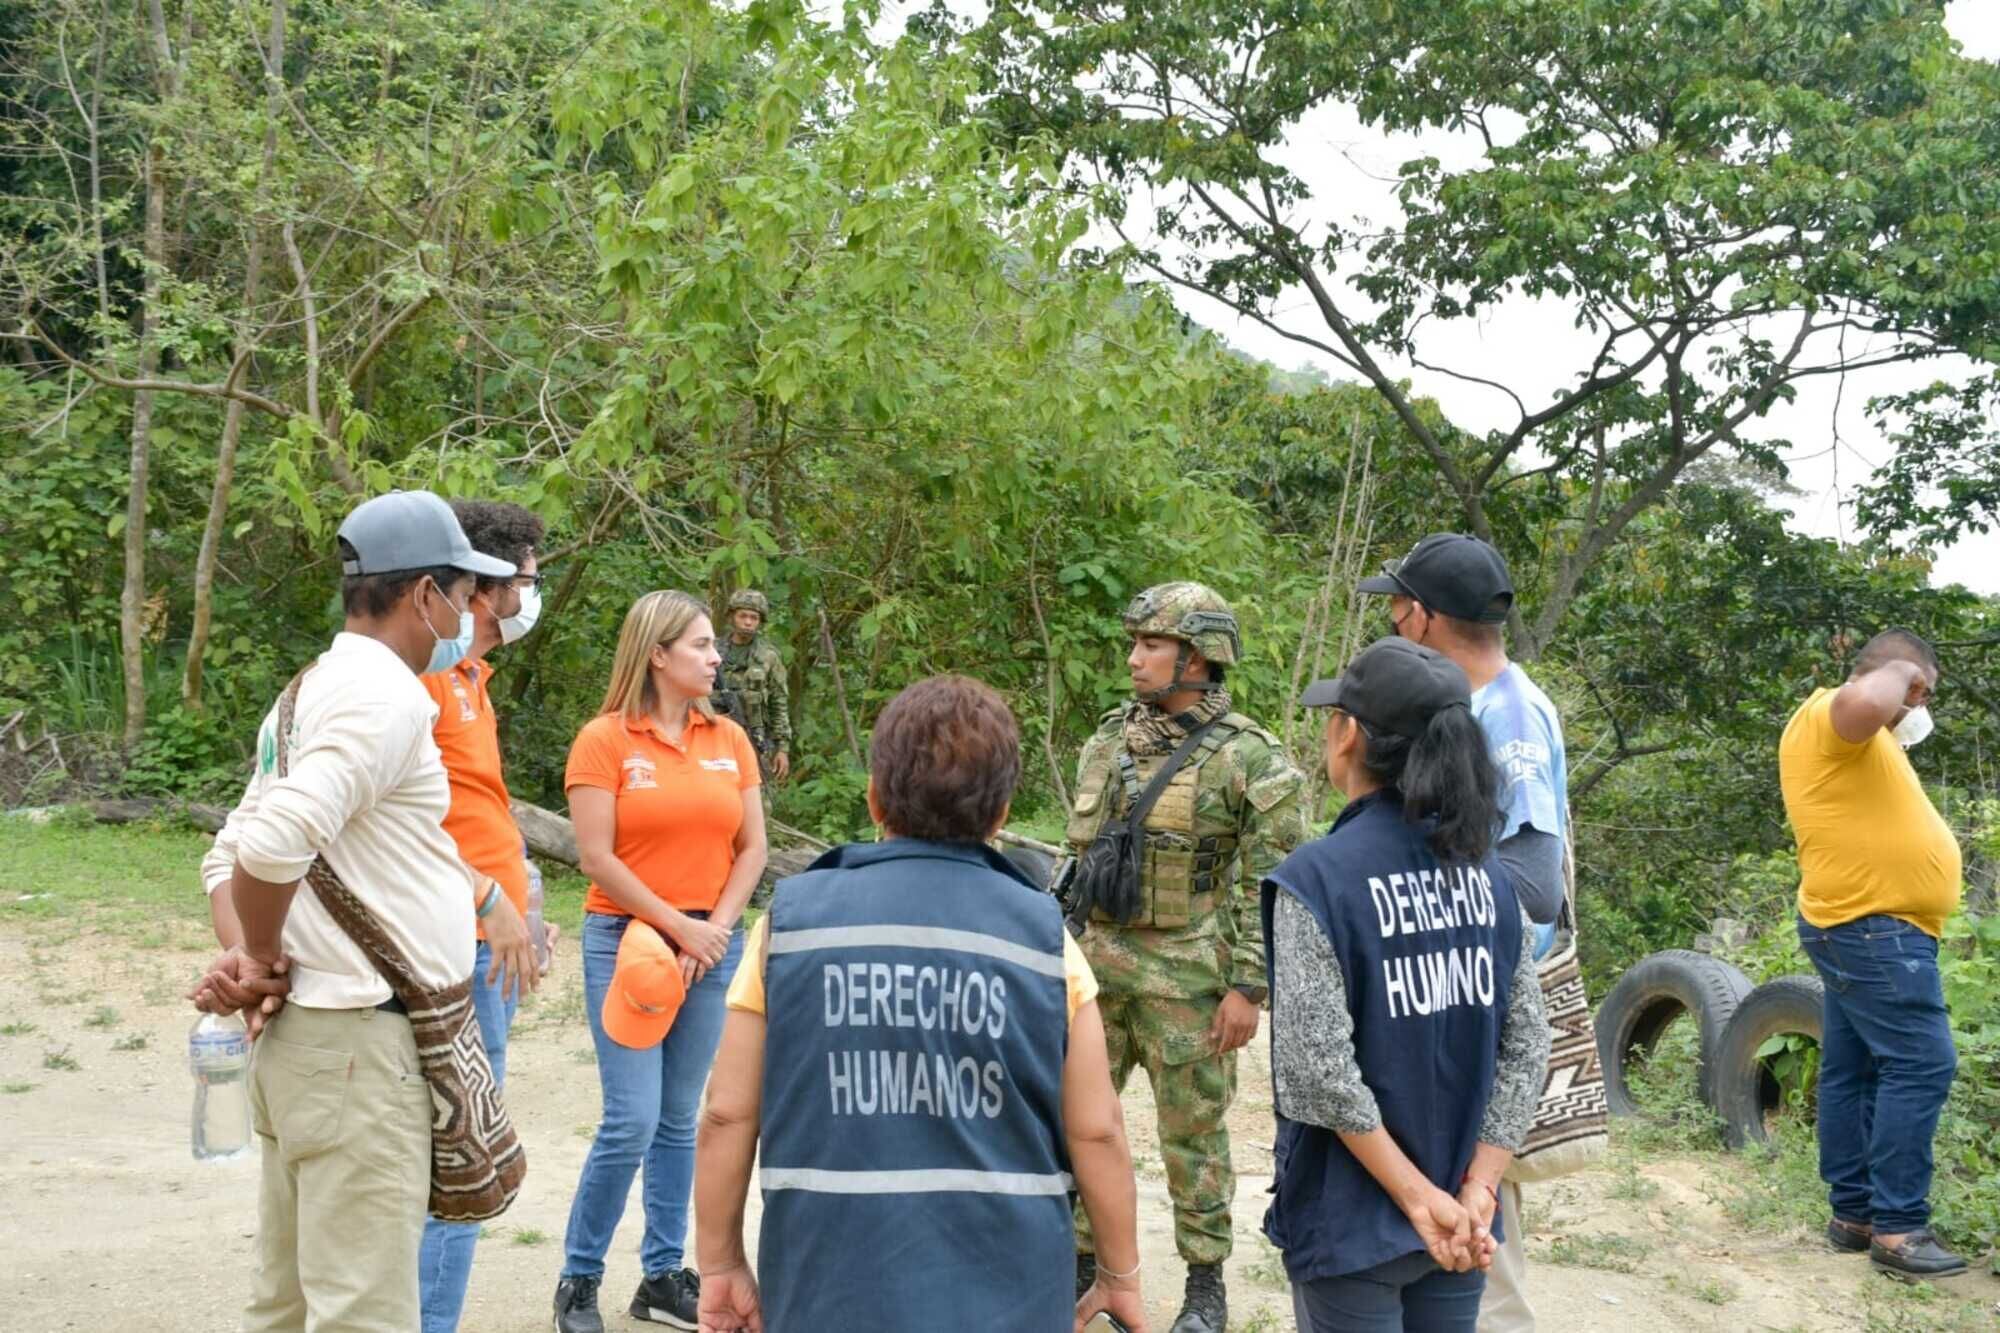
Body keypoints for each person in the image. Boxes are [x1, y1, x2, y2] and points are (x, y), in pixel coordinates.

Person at [692, 674, 1149, 1333]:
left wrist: (720, 1261)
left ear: (876, 798)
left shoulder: (791, 925)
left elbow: (728, 1113)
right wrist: (1119, 1273)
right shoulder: (1045, 938)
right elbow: (1099, 1127)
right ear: (1001, 813)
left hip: (827, 1290)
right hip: (1010, 1297)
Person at [191, 490, 516, 1331]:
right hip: (358, 1052)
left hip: (307, 1043)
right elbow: (267, 849)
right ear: (422, 596)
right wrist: (259, 952)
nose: (470, 612)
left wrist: (248, 958)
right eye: (463, 592)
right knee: (362, 1311)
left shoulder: (307, 691)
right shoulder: (388, 697)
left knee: (288, 1304)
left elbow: (226, 850)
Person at [1262, 637, 1550, 1332]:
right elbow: (1530, 1045)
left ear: (1350, 733)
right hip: (1461, 1218)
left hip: (1355, 1221)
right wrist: (1477, 1187)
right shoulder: (1488, 878)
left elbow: (1316, 1070)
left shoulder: (1317, 878)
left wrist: (1418, 1200)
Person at [1064, 581, 1308, 1333]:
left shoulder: (1250, 758)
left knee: (1194, 1137)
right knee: (1074, 1124)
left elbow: (1272, 883)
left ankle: (1205, 1285)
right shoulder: (1108, 739)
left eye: (1152, 645)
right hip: (1094, 972)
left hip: (1192, 977)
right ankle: (1073, 1265)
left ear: (1199, 656)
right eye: (1134, 643)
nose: (1135, 658)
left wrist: (1248, 987)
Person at [1358, 533, 1569, 1333]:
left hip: (1481, 990)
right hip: (1457, 982)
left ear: (1422, 616)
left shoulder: (1503, 714)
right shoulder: (1471, 701)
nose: (1388, 617)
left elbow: (1537, 881)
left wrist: (1437, 907)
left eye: (1394, 602)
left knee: (1486, 1220)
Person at [553, 590, 769, 1333]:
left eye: (715, 644)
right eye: (702, 644)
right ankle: (578, 1281)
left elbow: (754, 849)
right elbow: (596, 855)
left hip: (711, 944)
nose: (716, 656)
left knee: (681, 1118)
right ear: (657, 654)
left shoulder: (729, 738)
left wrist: (716, 930)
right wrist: (680, 926)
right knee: (631, 1119)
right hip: (629, 942)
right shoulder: (604, 739)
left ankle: (661, 1274)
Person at [1779, 628, 1964, 1279]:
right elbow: (1872, 693)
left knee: (1853, 1069)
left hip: (1864, 926)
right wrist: (1908, 676)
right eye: (1924, 693)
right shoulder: (1833, 714)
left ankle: (1856, 1214)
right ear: (1903, 680)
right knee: (1922, 1061)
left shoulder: (1860, 741)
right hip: (1874, 929)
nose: (1921, 708)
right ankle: (1898, 1227)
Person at [416, 499, 558, 1333]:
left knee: (463, 1162)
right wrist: (485, 898)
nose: (533, 597)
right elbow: (402, 824)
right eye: (529, 580)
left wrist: (524, 895)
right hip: (456, 950)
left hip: (489, 938)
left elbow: (474, 812)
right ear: (490, 585)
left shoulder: (472, 676)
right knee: (463, 1166)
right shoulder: (427, 680)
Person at [717, 589, 791, 784]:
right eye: (743, 616)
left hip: (753, 735)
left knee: (758, 794)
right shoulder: (712, 651)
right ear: (732, 617)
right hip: (712, 734)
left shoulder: (768, 656)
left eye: (754, 617)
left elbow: (778, 701)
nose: (748, 622)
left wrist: (782, 748)